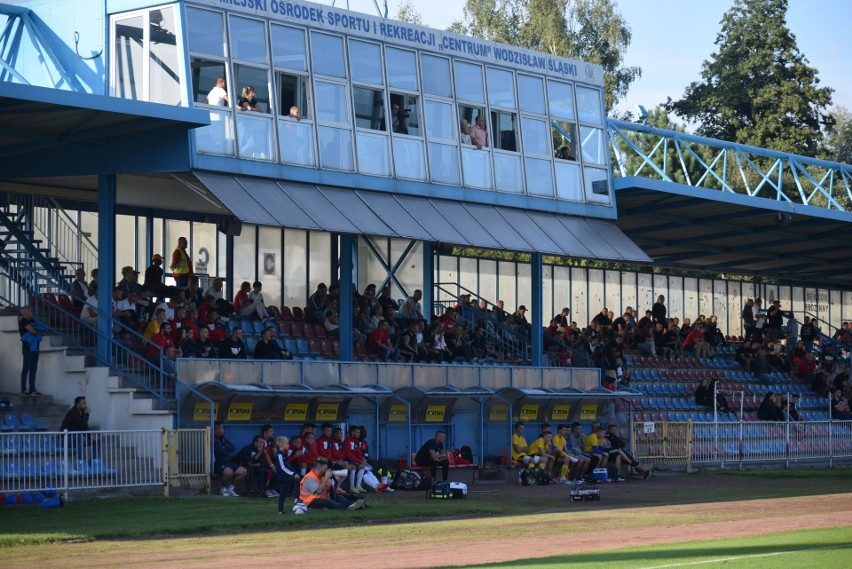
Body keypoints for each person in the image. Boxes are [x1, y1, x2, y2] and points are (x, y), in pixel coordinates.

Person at [299, 456, 364, 510]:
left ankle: (354, 505)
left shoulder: (323, 476)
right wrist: (326, 478)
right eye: (324, 469)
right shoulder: (310, 477)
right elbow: (319, 491)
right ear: (319, 468)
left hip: (323, 498)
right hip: (310, 501)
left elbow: (333, 493)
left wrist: (337, 481)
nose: (326, 471)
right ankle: (349, 507)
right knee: (329, 502)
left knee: (340, 497)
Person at [213, 421, 246, 497]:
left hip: (227, 462)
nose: (223, 430)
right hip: (218, 463)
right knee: (229, 472)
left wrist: (224, 448)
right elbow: (218, 451)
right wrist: (225, 449)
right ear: (217, 429)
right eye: (222, 428)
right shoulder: (213, 439)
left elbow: (232, 447)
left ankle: (230, 489)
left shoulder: (223, 438)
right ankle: (222, 489)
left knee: (243, 471)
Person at [19, 305, 46, 396]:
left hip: (35, 348)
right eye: (29, 311)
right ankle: (23, 390)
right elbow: (32, 331)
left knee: (33, 369)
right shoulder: (23, 321)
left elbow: (41, 330)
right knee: (26, 369)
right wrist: (38, 331)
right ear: (25, 312)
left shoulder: (33, 321)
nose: (32, 312)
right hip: (27, 348)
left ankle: (32, 389)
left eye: (31, 310)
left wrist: (40, 331)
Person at [274, 435, 299, 513]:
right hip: (283, 476)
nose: (288, 445)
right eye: (287, 444)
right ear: (282, 444)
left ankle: (280, 510)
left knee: (283, 493)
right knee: (296, 479)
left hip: (285, 475)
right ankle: (297, 498)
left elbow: (287, 465)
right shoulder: (279, 455)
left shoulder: (283, 454)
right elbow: (282, 467)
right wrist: (292, 474)